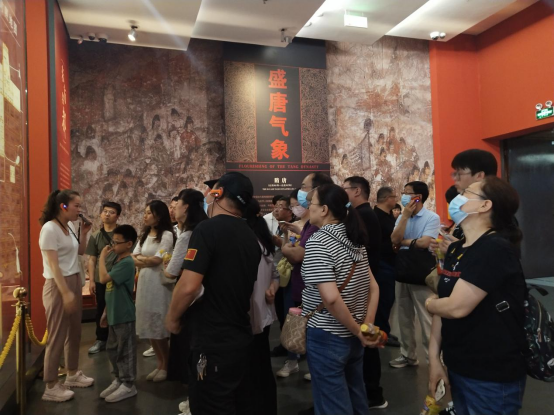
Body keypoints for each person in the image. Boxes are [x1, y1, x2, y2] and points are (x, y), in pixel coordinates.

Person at [426, 177, 526, 415]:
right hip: (459, 365)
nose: (457, 197)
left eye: (466, 192)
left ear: (485, 205)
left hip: (490, 373)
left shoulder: (494, 248)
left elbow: (455, 307)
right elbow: (444, 306)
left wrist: (429, 304)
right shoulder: (456, 249)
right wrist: (434, 359)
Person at [165, 172, 262, 415]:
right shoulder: (250, 235)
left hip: (212, 338)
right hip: (238, 335)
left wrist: (172, 318)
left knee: (209, 404)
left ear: (218, 193)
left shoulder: (207, 229)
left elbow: (188, 286)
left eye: (211, 191)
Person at [302, 184, 382, 415]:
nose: (308, 208)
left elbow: (331, 298)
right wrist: (365, 327)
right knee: (356, 394)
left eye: (311, 204)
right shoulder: (354, 238)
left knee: (332, 403)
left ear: (324, 209)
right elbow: (373, 287)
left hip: (327, 334)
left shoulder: (319, 241)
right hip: (354, 334)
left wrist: (358, 331)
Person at [39, 190, 94, 402]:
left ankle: (72, 373)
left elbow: (79, 251)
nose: (79, 210)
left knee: (74, 331)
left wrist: (84, 232)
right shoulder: (49, 229)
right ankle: (51, 385)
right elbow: (53, 266)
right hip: (58, 284)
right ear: (63, 206)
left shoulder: (69, 226)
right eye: (76, 205)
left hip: (73, 280)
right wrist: (65, 293)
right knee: (57, 335)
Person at [278, 173, 333, 379]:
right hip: (308, 291)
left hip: (319, 298)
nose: (302, 196)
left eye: (304, 187)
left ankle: (315, 367)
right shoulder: (311, 227)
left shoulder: (322, 231)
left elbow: (299, 255)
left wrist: (285, 247)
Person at [390, 181, 440, 369]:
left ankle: (433, 360)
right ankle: (408, 355)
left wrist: (404, 242)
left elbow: (425, 242)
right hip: (403, 270)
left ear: (418, 197)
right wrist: (404, 217)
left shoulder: (431, 217)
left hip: (421, 271)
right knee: (403, 316)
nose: (403, 195)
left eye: (407, 192)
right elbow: (394, 239)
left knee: (426, 318)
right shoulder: (403, 216)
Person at [163, 189, 208, 387]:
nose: (174, 209)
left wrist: (164, 267)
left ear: (187, 207)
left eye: (177, 204)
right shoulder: (206, 229)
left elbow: (172, 272)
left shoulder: (188, 234)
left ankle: (193, 393)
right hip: (207, 297)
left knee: (188, 346)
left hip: (191, 297)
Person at [133, 200, 176, 383]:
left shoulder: (166, 234)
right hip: (144, 282)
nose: (145, 216)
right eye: (145, 212)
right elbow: (133, 256)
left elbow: (158, 260)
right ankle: (159, 363)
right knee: (149, 324)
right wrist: (146, 259)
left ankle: (166, 365)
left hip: (159, 284)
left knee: (159, 326)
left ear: (158, 215)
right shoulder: (144, 235)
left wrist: (142, 259)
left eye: (149, 213)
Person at [245, 199, 279, 415]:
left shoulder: (249, 243)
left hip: (252, 315)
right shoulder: (263, 241)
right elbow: (275, 275)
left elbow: (273, 274)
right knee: (261, 364)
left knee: (254, 367)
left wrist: (272, 288)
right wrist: (272, 288)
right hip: (262, 314)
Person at [98, 225, 138, 403]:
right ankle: (119, 379)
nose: (113, 245)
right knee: (113, 349)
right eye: (112, 241)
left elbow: (103, 279)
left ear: (128, 244)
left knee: (125, 350)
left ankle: (128, 384)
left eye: (116, 242)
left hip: (124, 314)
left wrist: (101, 257)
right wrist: (106, 311)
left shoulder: (127, 262)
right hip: (114, 313)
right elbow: (110, 289)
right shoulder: (118, 260)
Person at [87, 202, 122, 355]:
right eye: (105, 211)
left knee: (118, 308)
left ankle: (119, 339)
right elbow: (92, 259)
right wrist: (91, 281)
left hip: (118, 277)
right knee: (101, 307)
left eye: (111, 212)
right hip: (101, 279)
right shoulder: (96, 235)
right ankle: (101, 339)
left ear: (117, 216)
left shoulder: (122, 234)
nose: (107, 214)